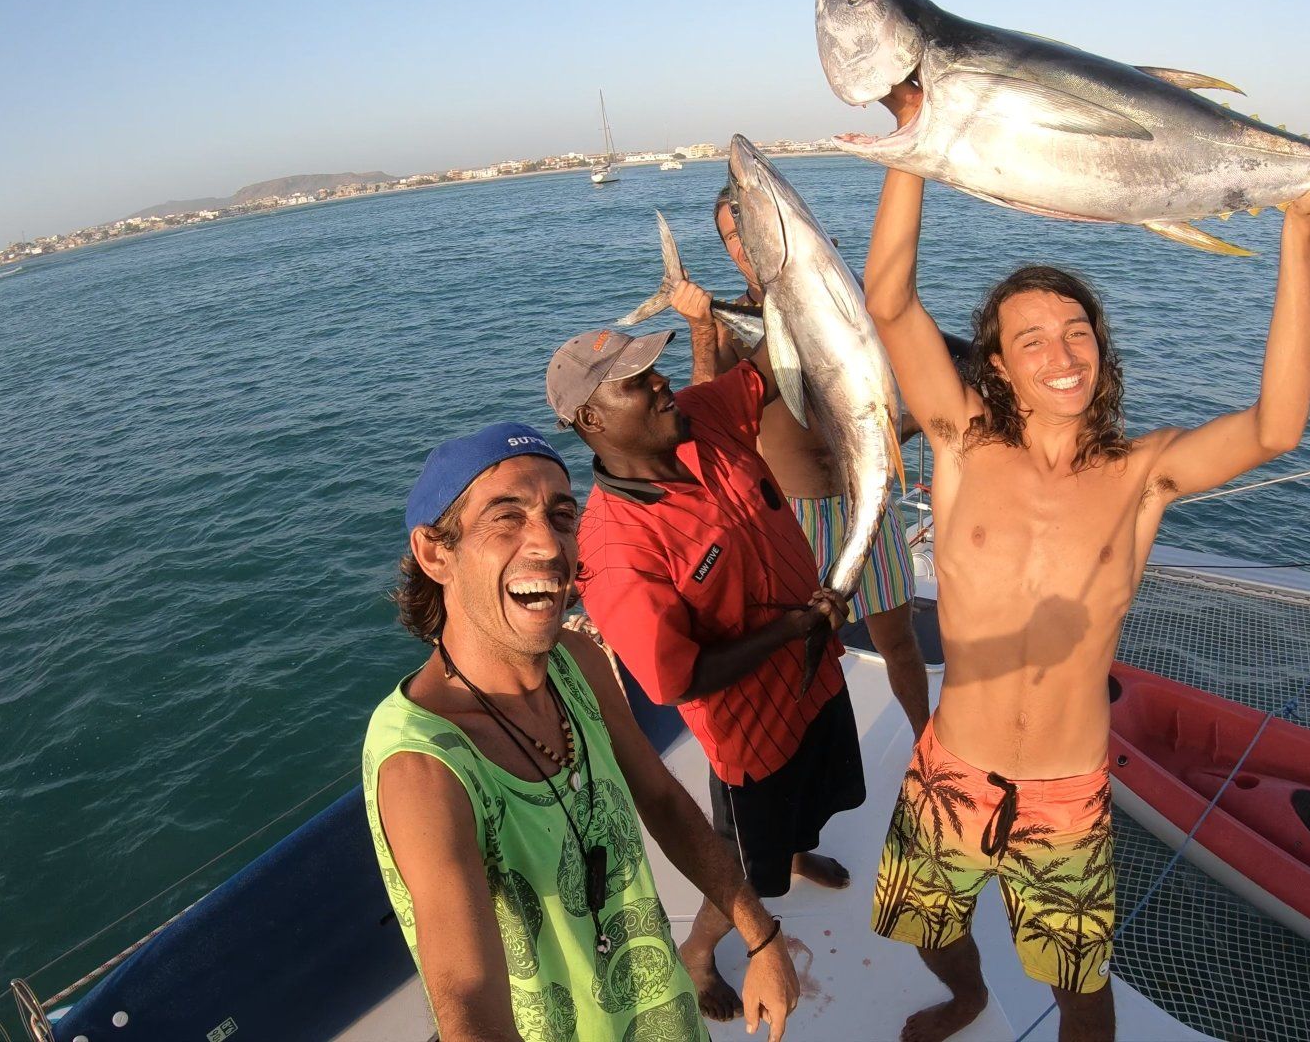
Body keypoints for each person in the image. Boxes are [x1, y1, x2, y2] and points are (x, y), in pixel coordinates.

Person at [861, 81, 1310, 1042]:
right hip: (952, 766)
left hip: (1067, 792)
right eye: (1032, 339)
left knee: (1080, 988)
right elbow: (889, 301)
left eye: (1078, 331)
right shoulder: (962, 442)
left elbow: (1277, 427)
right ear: (998, 366)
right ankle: (967, 996)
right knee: (929, 929)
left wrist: (1303, 233)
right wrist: (917, 134)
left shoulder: (1144, 474)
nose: (1062, 352)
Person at [364, 421, 799, 1041]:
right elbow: (466, 996)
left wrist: (761, 935)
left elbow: (662, 799)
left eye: (562, 516)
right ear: (437, 554)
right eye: (506, 517)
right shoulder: (426, 765)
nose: (548, 544)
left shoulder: (578, 662)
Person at [547, 327, 864, 1022]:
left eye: (655, 369)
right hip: (754, 737)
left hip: (817, 680)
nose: (662, 383)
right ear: (591, 419)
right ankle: (697, 953)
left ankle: (797, 850)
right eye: (637, 382)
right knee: (745, 868)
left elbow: (772, 363)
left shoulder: (701, 415)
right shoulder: (614, 548)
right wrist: (792, 629)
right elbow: (677, 679)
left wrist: (786, 282)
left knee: (814, 801)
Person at [669, 187, 932, 740]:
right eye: (733, 235)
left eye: (751, 227)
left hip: (870, 500)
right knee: (798, 651)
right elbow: (703, 416)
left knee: (899, 642)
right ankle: (805, 751)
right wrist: (699, 327)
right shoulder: (729, 325)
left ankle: (923, 742)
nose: (746, 242)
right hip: (794, 517)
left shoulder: (845, 298)